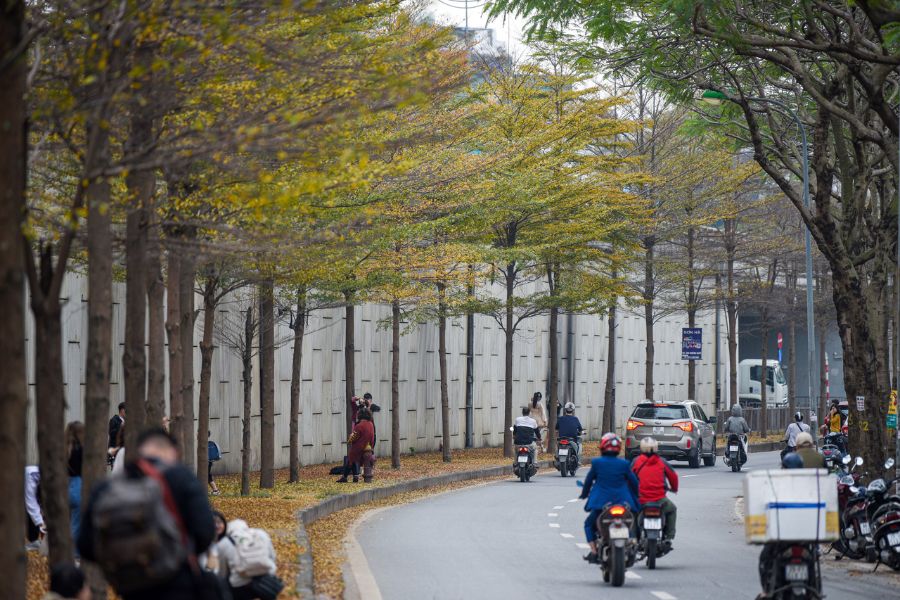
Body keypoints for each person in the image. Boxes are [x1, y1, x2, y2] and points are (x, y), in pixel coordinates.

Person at [78, 427, 217, 600]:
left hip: (129, 587)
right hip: (177, 584)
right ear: (172, 451)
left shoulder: (107, 487)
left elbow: (85, 545)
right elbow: (205, 532)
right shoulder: (180, 477)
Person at [579, 433, 640, 564]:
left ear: (602, 447)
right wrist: (637, 496)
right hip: (623, 503)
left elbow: (589, 481)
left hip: (602, 504)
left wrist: (584, 494)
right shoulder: (624, 464)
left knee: (589, 525)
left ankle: (594, 551)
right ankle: (633, 542)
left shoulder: (597, 463)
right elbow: (634, 483)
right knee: (633, 521)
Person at [217, 519, 279, 600]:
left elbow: (223, 572)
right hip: (265, 579)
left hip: (239, 584)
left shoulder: (224, 543)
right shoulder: (261, 534)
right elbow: (272, 556)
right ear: (246, 526)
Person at [631, 437, 678, 541]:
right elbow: (673, 476)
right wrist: (674, 489)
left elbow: (628, 478)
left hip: (641, 500)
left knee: (632, 512)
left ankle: (633, 538)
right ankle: (669, 537)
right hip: (660, 500)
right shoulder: (662, 462)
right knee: (672, 510)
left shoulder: (636, 462)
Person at [338, 407, 375, 483]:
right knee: (352, 460)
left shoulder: (359, 426)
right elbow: (372, 437)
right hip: (367, 447)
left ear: (360, 415)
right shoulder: (371, 424)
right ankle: (354, 477)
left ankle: (345, 477)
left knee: (351, 459)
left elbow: (353, 438)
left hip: (359, 447)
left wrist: (349, 439)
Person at [65, 421, 84, 545]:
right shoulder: (82, 450)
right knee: (77, 523)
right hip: (78, 484)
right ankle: (74, 553)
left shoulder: (64, 449)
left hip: (65, 484)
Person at [24, 465, 44, 550]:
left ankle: (34, 540)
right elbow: (30, 502)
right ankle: (33, 540)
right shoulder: (31, 477)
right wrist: (41, 524)